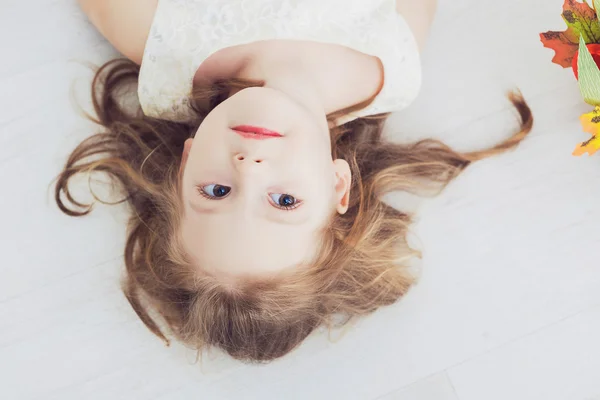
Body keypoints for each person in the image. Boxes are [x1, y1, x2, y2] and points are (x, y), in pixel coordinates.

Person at [56, 0, 532, 362]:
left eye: (216, 192)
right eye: (284, 201)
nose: (248, 167)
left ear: (186, 164)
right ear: (338, 186)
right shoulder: (392, 61)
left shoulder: (165, 43)